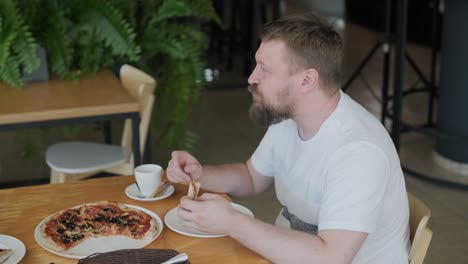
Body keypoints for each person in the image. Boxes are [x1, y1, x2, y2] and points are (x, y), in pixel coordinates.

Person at [167, 13, 410, 263]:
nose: (252, 78)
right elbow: (251, 177)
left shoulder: (359, 152)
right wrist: (199, 175)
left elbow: (330, 258)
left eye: (265, 69)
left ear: (307, 80)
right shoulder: (289, 117)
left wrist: (232, 222)